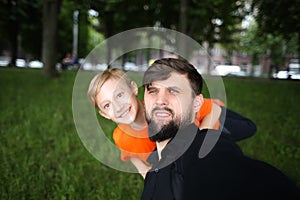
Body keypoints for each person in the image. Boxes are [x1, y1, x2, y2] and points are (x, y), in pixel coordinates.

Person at [140, 58, 299, 199]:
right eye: (153, 91)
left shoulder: (204, 150)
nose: (160, 101)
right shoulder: (154, 169)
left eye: (173, 91)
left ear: (196, 103)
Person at [88, 68, 256, 178]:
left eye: (119, 95)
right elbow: (132, 157)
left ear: (133, 88)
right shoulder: (122, 137)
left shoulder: (162, 105)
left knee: (249, 128)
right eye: (107, 105)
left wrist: (204, 134)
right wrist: (148, 176)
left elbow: (211, 111)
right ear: (104, 114)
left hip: (212, 118)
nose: (118, 107)